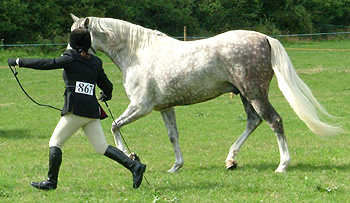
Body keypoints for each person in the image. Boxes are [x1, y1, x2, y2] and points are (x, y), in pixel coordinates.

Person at [7, 27, 146, 190]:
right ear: (88, 44)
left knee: (55, 142)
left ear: (72, 43)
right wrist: (106, 95)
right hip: (91, 110)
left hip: (76, 109)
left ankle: (51, 182)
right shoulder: (95, 61)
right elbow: (107, 85)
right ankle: (134, 166)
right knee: (101, 147)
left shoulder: (70, 57)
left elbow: (48, 63)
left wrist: (18, 61)